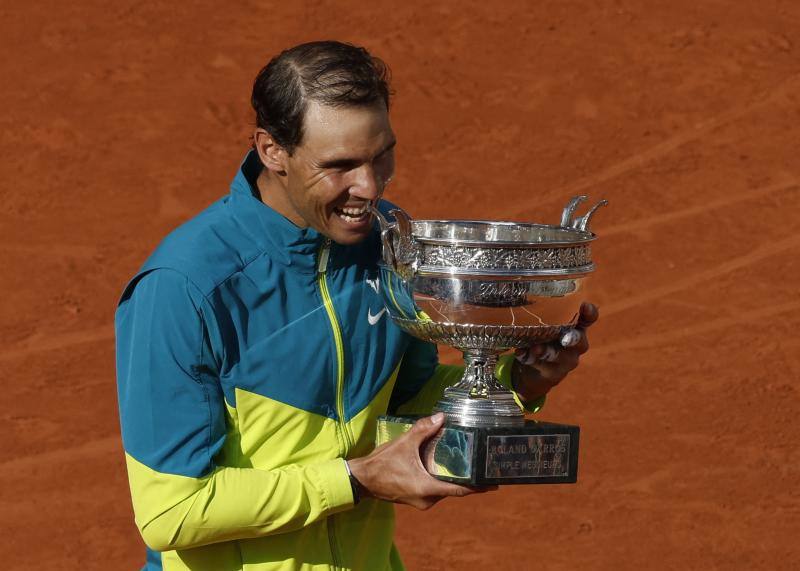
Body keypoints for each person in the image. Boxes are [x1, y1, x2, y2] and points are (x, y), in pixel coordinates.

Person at [115, 40, 598, 571]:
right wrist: (354, 480)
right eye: (340, 165)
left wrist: (520, 381)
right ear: (272, 150)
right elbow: (171, 511)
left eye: (380, 155)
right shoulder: (186, 287)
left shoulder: (389, 244)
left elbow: (408, 406)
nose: (368, 188)